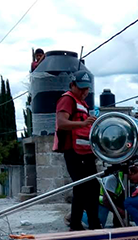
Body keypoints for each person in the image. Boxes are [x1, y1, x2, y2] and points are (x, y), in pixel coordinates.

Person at [53, 70, 101, 231]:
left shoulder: (84, 104)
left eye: (87, 89)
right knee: (85, 188)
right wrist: (83, 123)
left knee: (88, 188)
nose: (84, 92)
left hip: (86, 152)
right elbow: (62, 123)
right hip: (74, 152)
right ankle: (90, 224)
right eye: (81, 88)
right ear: (72, 85)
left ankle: (78, 224)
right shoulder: (67, 99)